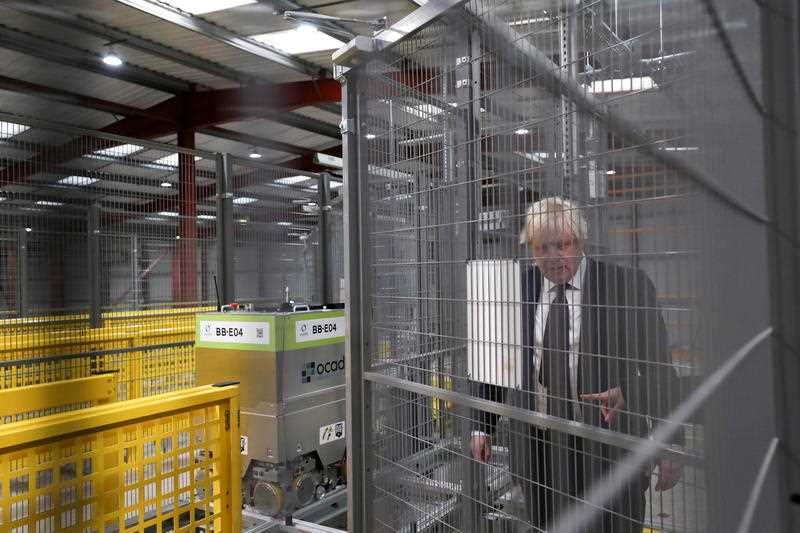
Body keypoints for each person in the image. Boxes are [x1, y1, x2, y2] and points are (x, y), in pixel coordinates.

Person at [470, 197, 682, 532]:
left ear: (580, 242)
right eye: (542, 247)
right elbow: (498, 360)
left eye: (563, 245)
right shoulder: (515, 288)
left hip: (608, 446)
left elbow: (658, 366)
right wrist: (482, 423)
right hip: (538, 448)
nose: (554, 257)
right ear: (530, 248)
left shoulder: (626, 286)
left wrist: (671, 440)